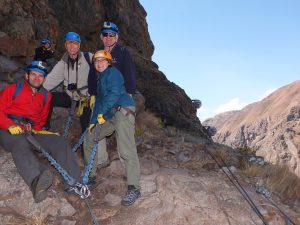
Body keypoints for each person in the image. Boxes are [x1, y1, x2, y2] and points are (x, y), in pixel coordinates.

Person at [0, 61, 81, 203]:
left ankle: (75, 183)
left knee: (59, 141)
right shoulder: (13, 89)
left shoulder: (46, 96)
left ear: (44, 79)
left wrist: (40, 131)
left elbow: (40, 120)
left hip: (29, 131)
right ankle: (36, 180)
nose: (37, 78)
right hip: (8, 130)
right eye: (33, 74)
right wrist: (9, 125)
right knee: (19, 142)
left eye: (40, 76)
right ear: (27, 75)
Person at [84, 50, 141, 206]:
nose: (99, 63)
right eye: (96, 61)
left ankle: (134, 187)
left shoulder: (113, 73)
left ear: (109, 62)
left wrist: (101, 114)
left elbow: (114, 94)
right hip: (110, 114)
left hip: (123, 111)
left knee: (126, 149)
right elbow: (100, 103)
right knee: (89, 138)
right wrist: (94, 122)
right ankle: (90, 176)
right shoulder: (100, 79)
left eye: (103, 60)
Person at [88, 21, 138, 168]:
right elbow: (92, 76)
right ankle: (101, 159)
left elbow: (129, 73)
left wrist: (129, 93)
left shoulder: (123, 52)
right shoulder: (98, 54)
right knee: (97, 123)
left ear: (116, 37)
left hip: (120, 97)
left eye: (112, 35)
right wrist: (93, 94)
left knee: (122, 127)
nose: (108, 38)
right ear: (101, 37)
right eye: (105, 35)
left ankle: (126, 163)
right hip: (102, 97)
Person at [43, 32, 93, 133]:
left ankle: (86, 147)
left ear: (79, 45)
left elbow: (104, 69)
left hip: (86, 98)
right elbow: (50, 80)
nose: (72, 46)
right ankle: (44, 127)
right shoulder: (63, 63)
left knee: (86, 124)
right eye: (69, 43)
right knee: (48, 97)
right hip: (70, 96)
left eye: (74, 43)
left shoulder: (89, 58)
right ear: (65, 45)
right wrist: (34, 90)